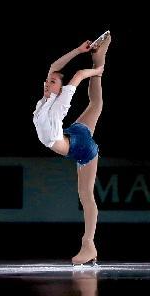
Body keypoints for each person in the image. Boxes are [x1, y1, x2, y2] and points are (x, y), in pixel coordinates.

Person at [32, 31, 112, 266]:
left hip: (80, 148)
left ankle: (89, 244)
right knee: (96, 104)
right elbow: (53, 67)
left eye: (52, 83)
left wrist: (95, 72)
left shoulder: (60, 102)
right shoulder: (46, 100)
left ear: (60, 88)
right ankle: (99, 56)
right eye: (47, 82)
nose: (47, 84)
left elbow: (77, 75)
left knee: (87, 196)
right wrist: (79, 51)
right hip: (74, 134)